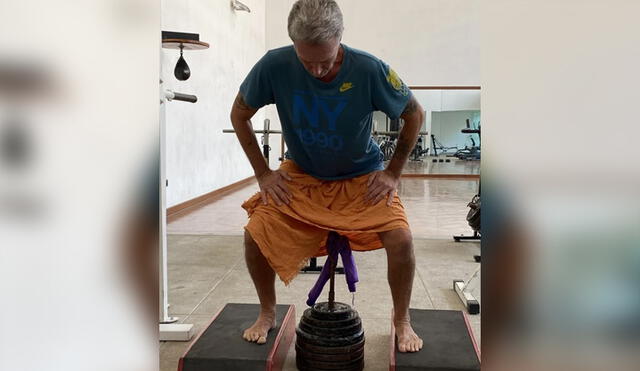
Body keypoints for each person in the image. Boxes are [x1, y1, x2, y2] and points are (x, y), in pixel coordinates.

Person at [230, 0, 425, 353]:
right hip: (302, 176)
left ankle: (401, 320)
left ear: (340, 38)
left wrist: (393, 173)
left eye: (327, 60)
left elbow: (414, 114)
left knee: (402, 241)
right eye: (308, 62)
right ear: (293, 46)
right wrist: (263, 173)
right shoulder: (274, 65)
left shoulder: (370, 69)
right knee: (255, 234)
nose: (318, 70)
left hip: (361, 178)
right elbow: (238, 114)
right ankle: (267, 310)